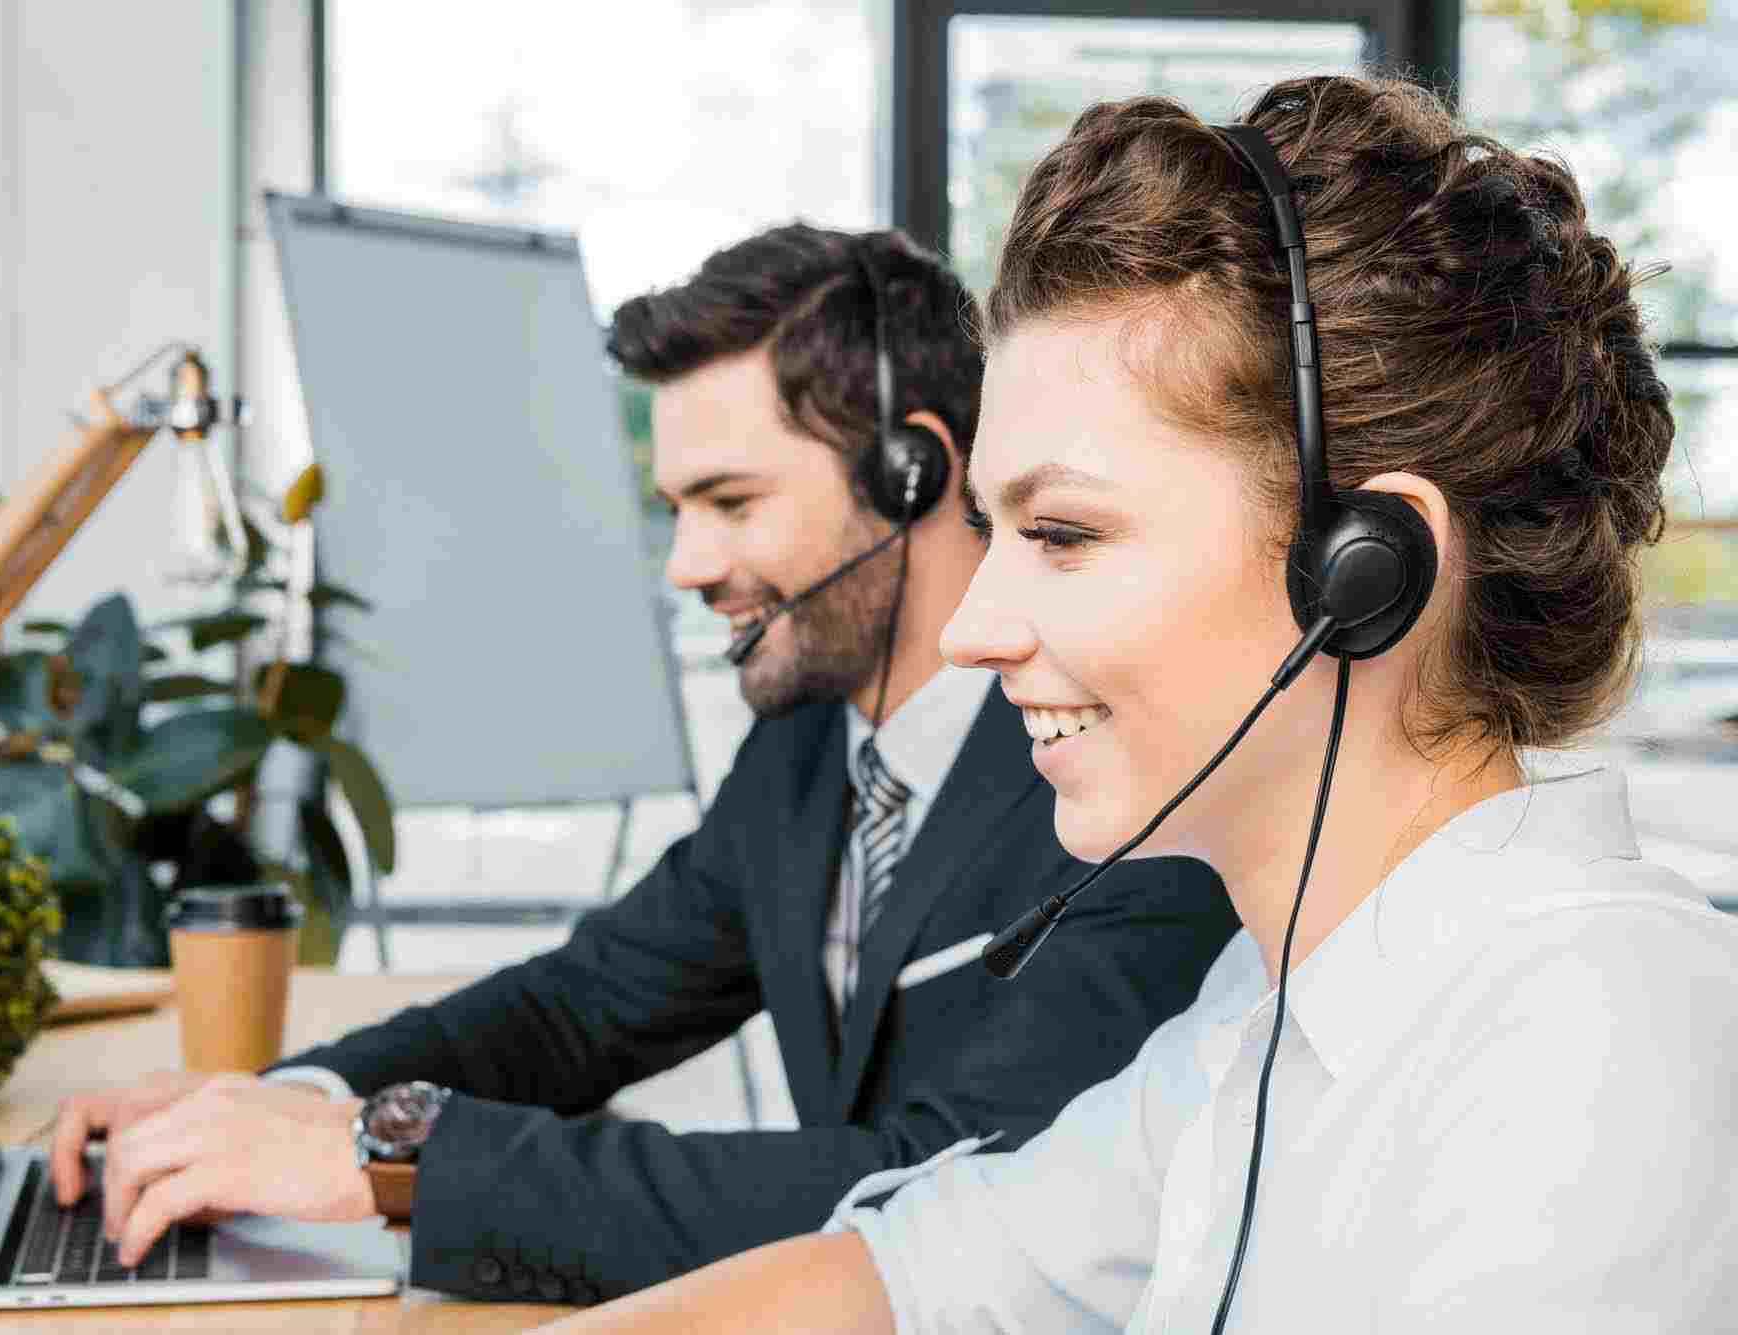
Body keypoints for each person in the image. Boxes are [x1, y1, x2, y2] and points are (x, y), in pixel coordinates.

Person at [540, 73, 1738, 1333]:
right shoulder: (1258, 1011)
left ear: (1363, 570)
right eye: (988, 530)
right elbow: (904, 1281)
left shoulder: (1597, 1041)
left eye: (1062, 534)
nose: (971, 628)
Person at [44, 224, 1237, 1304]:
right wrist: (284, 1105)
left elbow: (932, 1185)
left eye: (727, 502)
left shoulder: (1118, 772)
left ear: (912, 474)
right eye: (673, 508)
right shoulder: (809, 747)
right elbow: (584, 1006)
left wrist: (389, 1158)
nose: (684, 563)